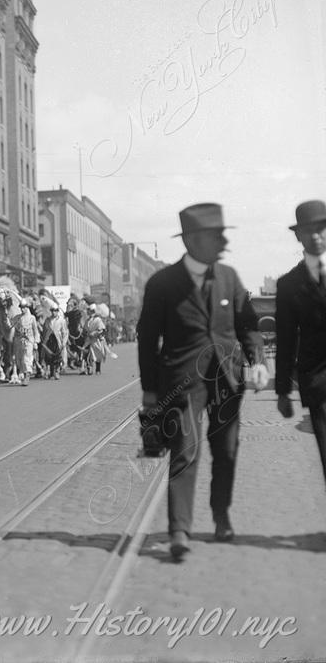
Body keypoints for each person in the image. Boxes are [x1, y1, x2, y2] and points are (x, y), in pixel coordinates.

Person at [137, 203, 267, 561]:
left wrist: (257, 361)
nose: (224, 243)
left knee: (226, 450)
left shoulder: (229, 277)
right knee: (185, 448)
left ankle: (221, 513)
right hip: (181, 382)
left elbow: (249, 326)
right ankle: (179, 528)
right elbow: (148, 341)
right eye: (216, 236)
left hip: (227, 378)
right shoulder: (162, 284)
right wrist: (150, 391)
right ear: (193, 240)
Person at [275, 199, 326, 489]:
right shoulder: (289, 285)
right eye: (308, 231)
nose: (316, 236)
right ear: (298, 236)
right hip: (319, 383)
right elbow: (285, 340)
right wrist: (283, 391)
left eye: (321, 229)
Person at [10, 301, 40, 386]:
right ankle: (23, 372)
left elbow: (35, 330)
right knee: (19, 359)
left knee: (27, 357)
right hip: (19, 340)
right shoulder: (17, 318)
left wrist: (36, 342)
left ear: (27, 308)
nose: (22, 309)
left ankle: (27, 375)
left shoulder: (32, 318)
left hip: (28, 340)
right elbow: (10, 326)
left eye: (24, 307)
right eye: (21, 308)